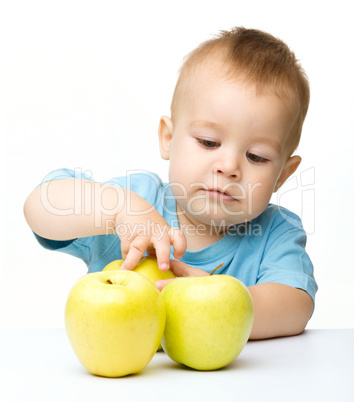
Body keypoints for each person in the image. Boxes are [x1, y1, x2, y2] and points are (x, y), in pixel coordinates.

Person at [24, 27, 317, 340]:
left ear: (283, 175)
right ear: (168, 139)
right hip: (119, 382)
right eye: (208, 142)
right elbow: (40, 205)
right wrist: (123, 210)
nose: (229, 167)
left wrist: (215, 301)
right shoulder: (139, 200)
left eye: (256, 157)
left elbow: (296, 305)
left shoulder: (275, 232)